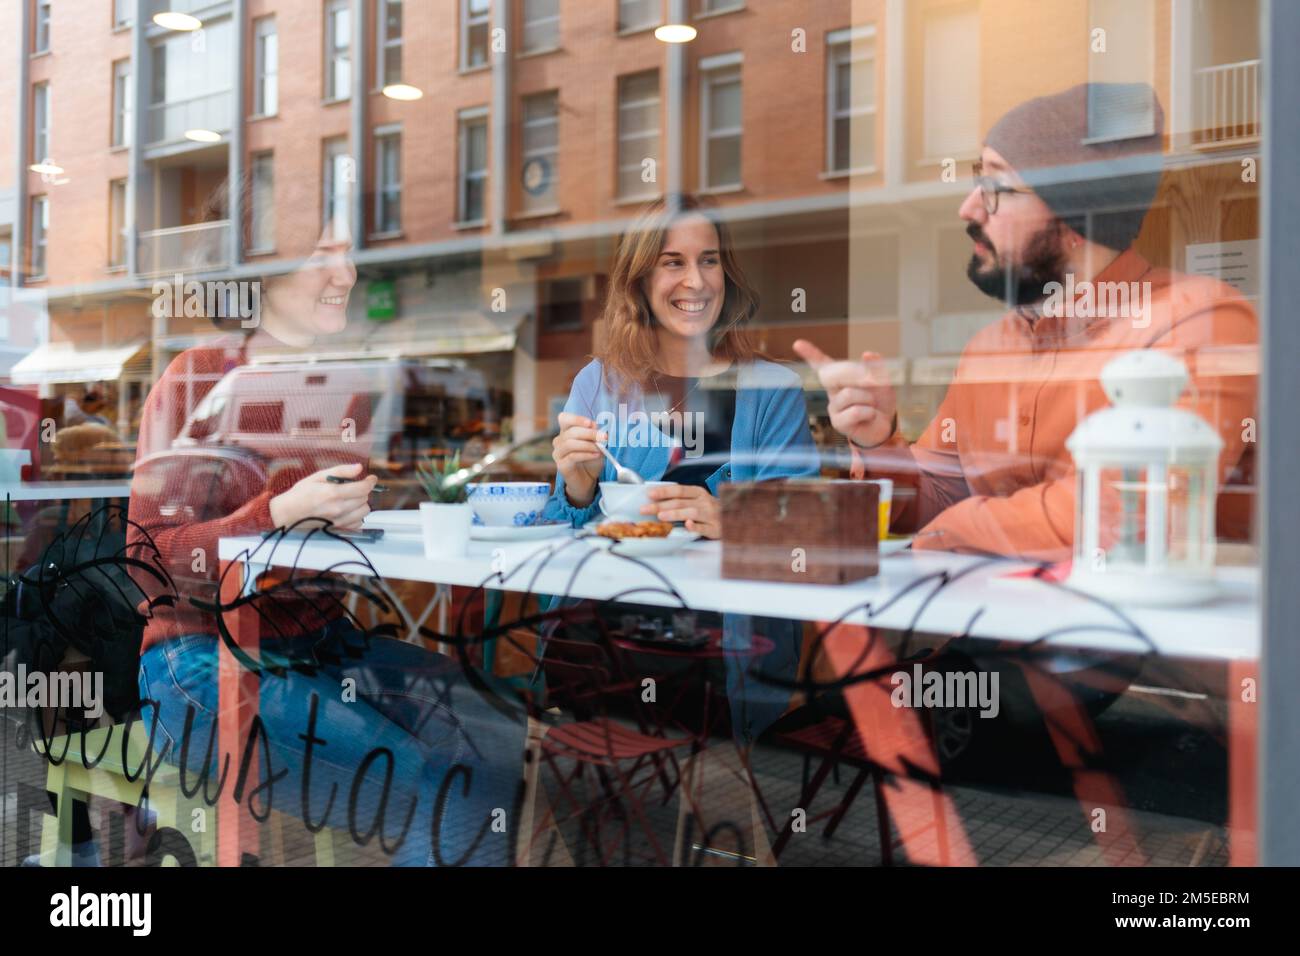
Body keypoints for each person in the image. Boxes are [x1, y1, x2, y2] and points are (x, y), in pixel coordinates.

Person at [126, 211, 525, 867]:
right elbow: (148, 562)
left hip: (321, 648)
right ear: (263, 268)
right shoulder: (199, 377)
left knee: (495, 725)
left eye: (349, 251)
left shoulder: (343, 386)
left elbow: (329, 544)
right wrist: (275, 513)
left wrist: (368, 511)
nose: (348, 272)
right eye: (323, 253)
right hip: (196, 664)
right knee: (419, 771)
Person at [796, 83, 1257, 561]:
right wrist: (877, 441)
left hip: (1139, 632)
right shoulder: (987, 350)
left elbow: (1118, 517)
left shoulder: (1202, 320)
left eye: (996, 186)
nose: (969, 208)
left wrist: (954, 529)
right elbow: (933, 503)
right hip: (993, 628)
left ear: (1075, 216)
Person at [542, 193, 819, 745]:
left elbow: (807, 536)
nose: (695, 281)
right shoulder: (598, 383)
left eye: (709, 260)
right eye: (673, 262)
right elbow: (560, 537)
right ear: (640, 281)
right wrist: (576, 489)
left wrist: (732, 521)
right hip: (599, 636)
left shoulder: (770, 390)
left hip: (716, 650)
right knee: (590, 785)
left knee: (682, 790)